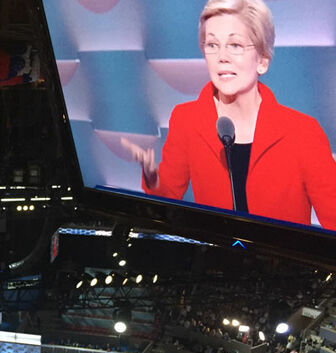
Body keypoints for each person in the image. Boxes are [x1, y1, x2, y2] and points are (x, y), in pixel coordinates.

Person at [121, 0, 336, 230]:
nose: (221, 56)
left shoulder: (303, 132)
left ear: (262, 61)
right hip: (215, 258)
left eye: (235, 45)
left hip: (282, 262)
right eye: (212, 44)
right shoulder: (187, 119)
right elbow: (168, 199)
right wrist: (152, 178)